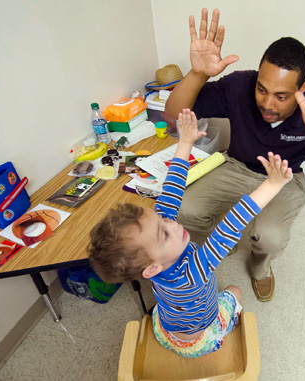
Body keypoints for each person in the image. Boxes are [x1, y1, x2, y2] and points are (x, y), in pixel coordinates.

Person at [165, 8, 305, 302]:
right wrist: (197, 74)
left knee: (269, 237)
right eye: (262, 89)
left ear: (302, 88)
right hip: (236, 167)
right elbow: (171, 117)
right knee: (183, 208)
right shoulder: (239, 85)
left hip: (284, 177)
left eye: (281, 96)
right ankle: (222, 240)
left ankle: (260, 268)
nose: (268, 104)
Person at [88, 109, 294, 358]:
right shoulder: (192, 273)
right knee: (234, 291)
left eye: (162, 219)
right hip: (200, 340)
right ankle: (220, 330)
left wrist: (185, 142)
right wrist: (272, 184)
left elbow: (172, 189)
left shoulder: (152, 261)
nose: (173, 224)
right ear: (151, 268)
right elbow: (230, 226)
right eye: (164, 233)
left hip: (164, 328)